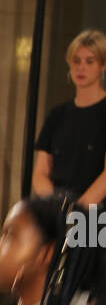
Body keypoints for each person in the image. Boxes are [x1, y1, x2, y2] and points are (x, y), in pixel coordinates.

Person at [33, 29, 106, 207]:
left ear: (102, 66)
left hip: (97, 214)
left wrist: (78, 209)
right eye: (76, 61)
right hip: (57, 210)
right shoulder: (57, 114)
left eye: (89, 61)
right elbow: (41, 172)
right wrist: (56, 204)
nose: (81, 67)